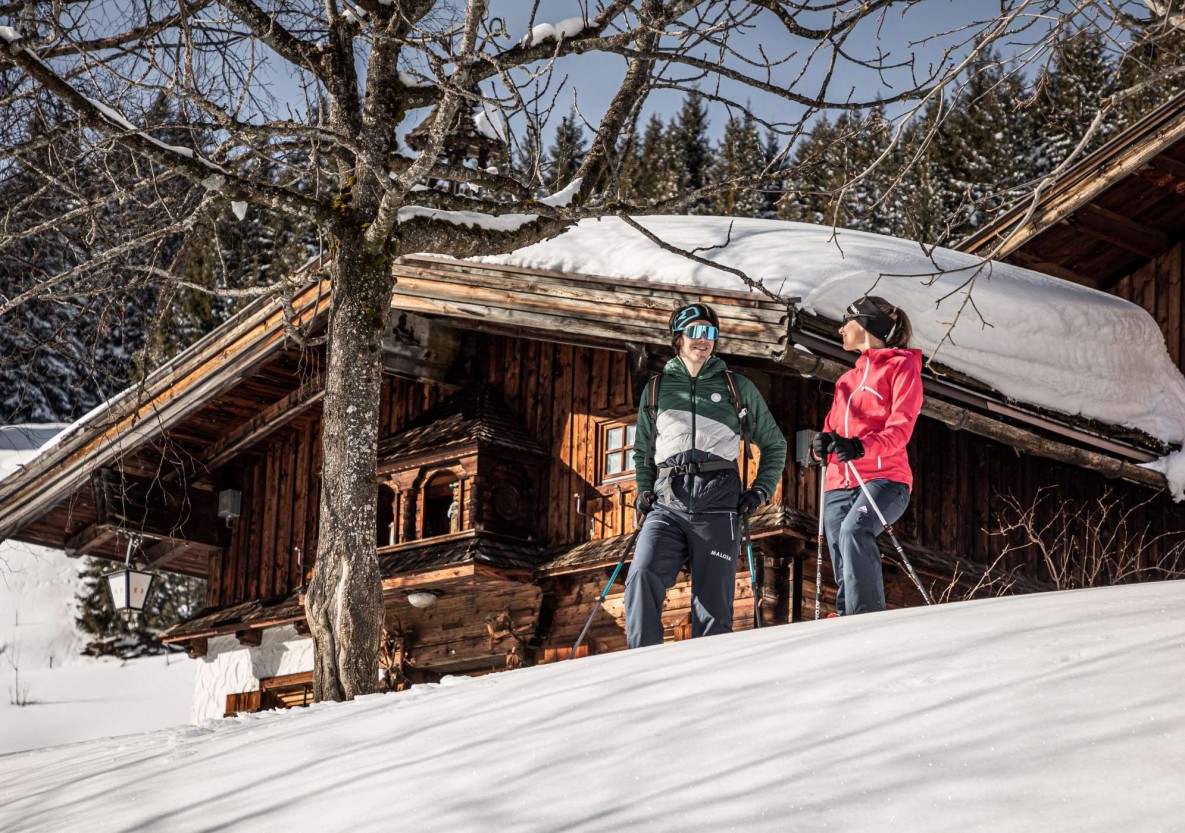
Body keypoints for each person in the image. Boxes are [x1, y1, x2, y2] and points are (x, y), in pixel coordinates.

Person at [626, 302, 787, 648]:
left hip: (718, 506)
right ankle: (641, 663)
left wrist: (760, 491)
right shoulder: (656, 390)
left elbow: (775, 444)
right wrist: (643, 490)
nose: (704, 340)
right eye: (696, 332)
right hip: (666, 504)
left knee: (713, 606)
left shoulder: (736, 388)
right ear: (678, 338)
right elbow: (642, 451)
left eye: (711, 333)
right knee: (642, 573)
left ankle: (704, 681)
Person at [812, 295, 923, 616]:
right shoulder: (846, 381)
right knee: (840, 550)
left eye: (846, 321)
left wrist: (861, 447)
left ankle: (864, 617)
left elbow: (900, 429)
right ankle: (847, 616)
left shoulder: (900, 368)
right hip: (838, 482)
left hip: (885, 479)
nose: (840, 329)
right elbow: (831, 428)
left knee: (854, 531)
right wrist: (822, 445)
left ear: (866, 324)